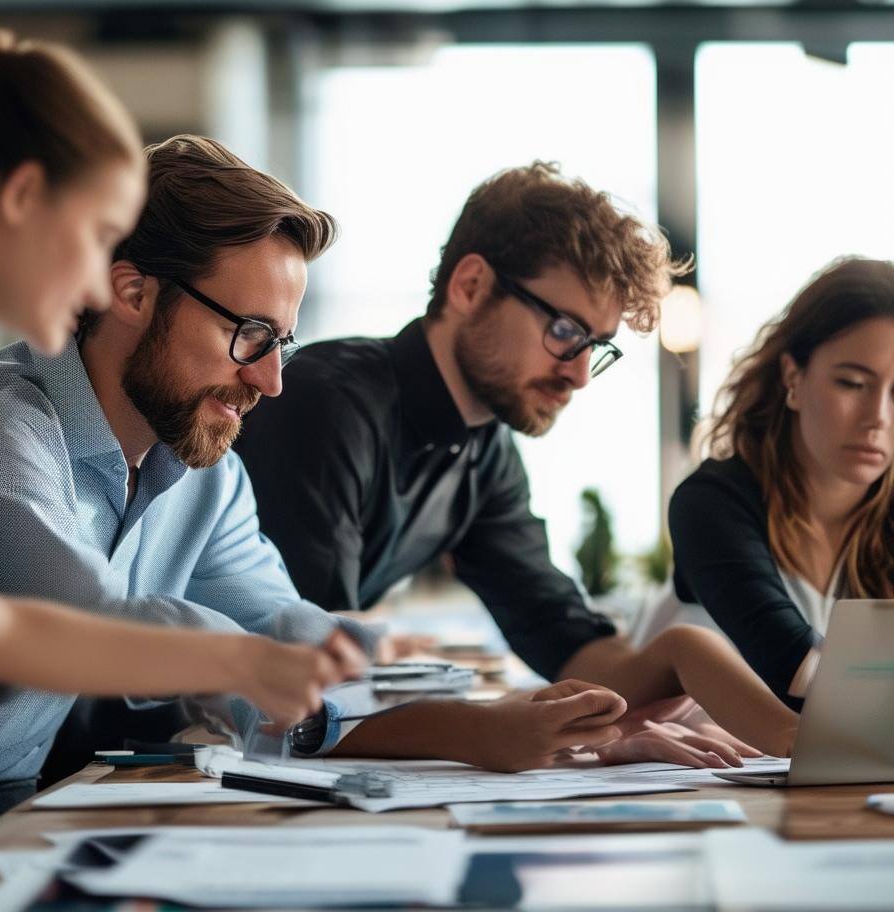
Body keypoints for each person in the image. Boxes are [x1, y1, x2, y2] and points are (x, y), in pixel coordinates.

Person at [0, 134, 629, 871]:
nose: (270, 380)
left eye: (283, 343)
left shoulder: (205, 471)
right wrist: (244, 659)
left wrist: (381, 667)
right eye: (251, 334)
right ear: (131, 291)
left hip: (6, 807)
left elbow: (276, 621)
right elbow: (88, 627)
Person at [0, 33, 357, 876]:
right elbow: (60, 620)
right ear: (24, 198)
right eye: (95, 234)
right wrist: (230, 657)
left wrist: (252, 662)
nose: (101, 284)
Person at [237, 161, 800, 759]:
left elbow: (560, 633)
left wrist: (662, 676)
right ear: (471, 286)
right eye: (564, 330)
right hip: (177, 744)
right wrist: (505, 728)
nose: (580, 374)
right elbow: (309, 675)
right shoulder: (326, 405)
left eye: (597, 346)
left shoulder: (484, 449)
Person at [668, 257, 894, 710]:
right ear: (794, 377)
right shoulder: (711, 503)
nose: (878, 418)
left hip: (831, 775)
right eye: (852, 383)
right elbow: (796, 668)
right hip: (682, 774)